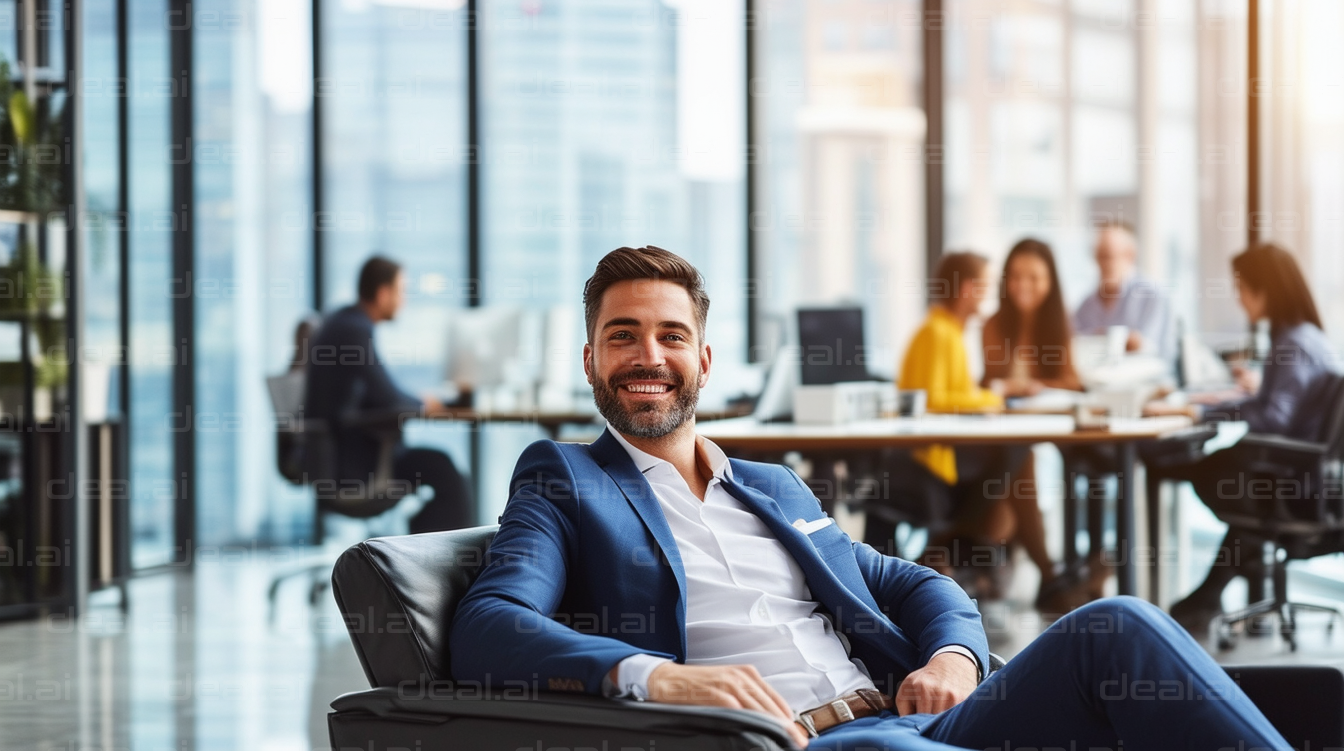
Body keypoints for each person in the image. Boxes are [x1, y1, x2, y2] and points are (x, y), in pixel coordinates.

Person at [450, 245, 1288, 751]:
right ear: (591, 361)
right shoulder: (565, 478)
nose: (648, 355)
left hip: (915, 715)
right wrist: (658, 678)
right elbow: (490, 630)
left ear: (704, 361)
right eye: (621, 336)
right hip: (821, 740)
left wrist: (953, 659)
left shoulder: (769, 486)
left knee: (1120, 625)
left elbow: (914, 584)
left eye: (671, 336)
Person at [1146, 242, 1340, 632]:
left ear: (1264, 289)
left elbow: (1272, 418)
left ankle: (1194, 605)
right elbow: (1284, 406)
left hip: (1297, 483)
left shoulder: (1293, 344)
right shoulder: (1308, 337)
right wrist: (1254, 391)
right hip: (1311, 478)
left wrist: (1196, 409)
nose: (1239, 298)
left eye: (1241, 287)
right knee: (1239, 503)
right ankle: (1201, 604)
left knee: (1199, 468)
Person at [881, 252, 1028, 603]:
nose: (989, 296)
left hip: (940, 452)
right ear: (967, 289)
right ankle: (953, 551)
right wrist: (994, 398)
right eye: (986, 287)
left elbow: (952, 393)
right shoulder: (939, 332)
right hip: (930, 459)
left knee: (1013, 465)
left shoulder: (948, 331)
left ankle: (954, 556)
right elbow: (935, 399)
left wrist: (986, 396)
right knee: (1014, 455)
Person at [304, 256, 474, 533]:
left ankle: (424, 555)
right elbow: (386, 396)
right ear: (383, 294)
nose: (403, 301)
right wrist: (422, 403)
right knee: (446, 472)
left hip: (341, 456)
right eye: (401, 291)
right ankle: (438, 564)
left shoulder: (344, 322)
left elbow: (374, 393)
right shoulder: (353, 330)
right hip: (355, 466)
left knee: (441, 467)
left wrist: (417, 402)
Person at [979, 239, 1087, 610]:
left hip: (1047, 421)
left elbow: (1073, 381)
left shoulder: (1057, 323)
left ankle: (1055, 576)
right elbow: (993, 382)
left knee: (1074, 458)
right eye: (1017, 276)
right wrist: (1013, 387)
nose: (1024, 285)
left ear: (1050, 281)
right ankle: (1052, 576)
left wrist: (1041, 387)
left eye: (1034, 277)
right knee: (1018, 461)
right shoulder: (994, 324)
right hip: (1002, 429)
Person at [1073, 220, 1174, 360]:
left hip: (1149, 379)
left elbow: (1156, 353)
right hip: (1098, 379)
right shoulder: (1086, 305)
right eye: (1098, 256)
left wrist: (1131, 343)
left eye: (1108, 256)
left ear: (1130, 255)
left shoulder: (1152, 296)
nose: (1102, 264)